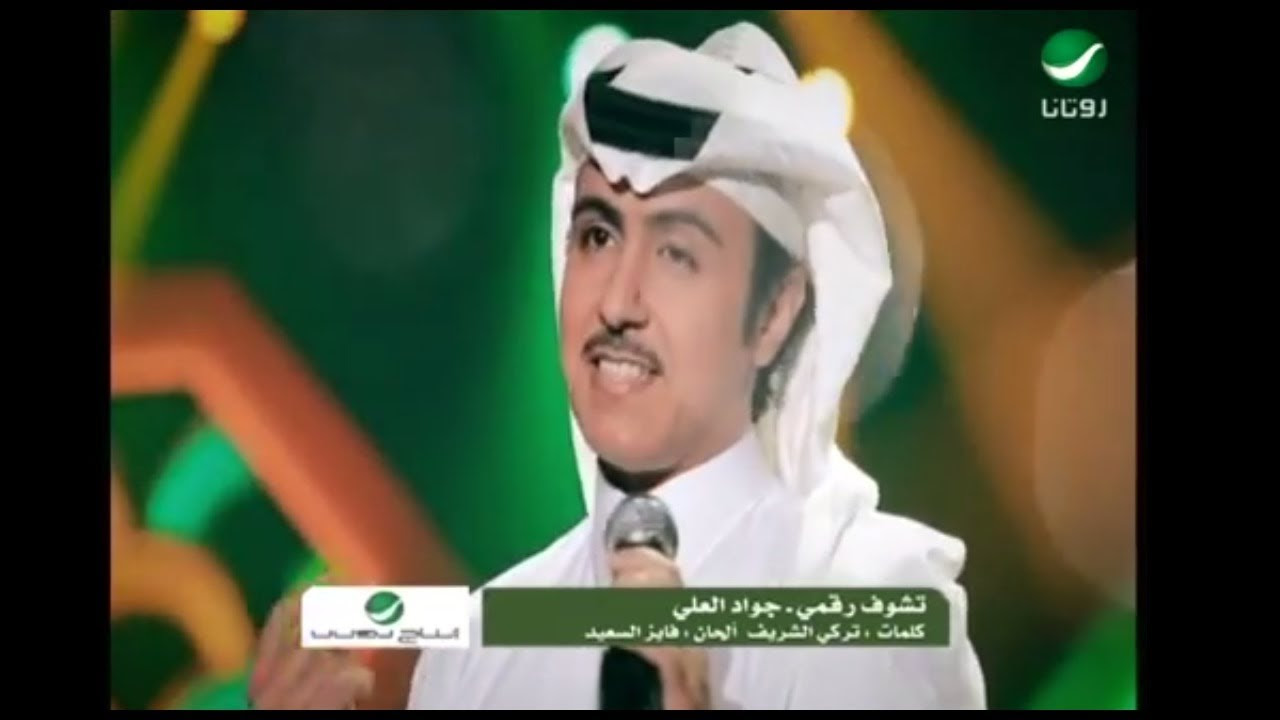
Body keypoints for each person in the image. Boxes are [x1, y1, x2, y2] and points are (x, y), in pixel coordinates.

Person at [249, 21, 986, 710]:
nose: (618, 302)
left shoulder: (882, 612)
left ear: (776, 315)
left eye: (676, 252)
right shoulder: (480, 643)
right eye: (598, 237)